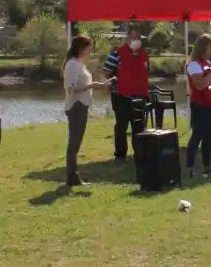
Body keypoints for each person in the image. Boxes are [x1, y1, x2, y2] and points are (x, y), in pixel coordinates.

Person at [62, 35, 112, 187]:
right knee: (74, 142)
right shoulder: (72, 65)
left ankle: (73, 176)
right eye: (89, 47)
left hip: (82, 106)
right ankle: (72, 177)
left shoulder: (79, 64)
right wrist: (92, 86)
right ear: (81, 48)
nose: (90, 50)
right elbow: (71, 89)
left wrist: (99, 84)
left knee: (76, 142)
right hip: (76, 106)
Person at [102, 29, 150, 163]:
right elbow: (107, 71)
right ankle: (120, 155)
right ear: (127, 38)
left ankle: (139, 154)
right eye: (134, 37)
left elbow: (146, 72)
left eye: (139, 37)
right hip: (120, 96)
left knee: (139, 126)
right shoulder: (116, 54)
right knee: (121, 126)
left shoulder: (144, 55)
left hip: (139, 96)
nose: (137, 40)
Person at [185, 33, 211, 179]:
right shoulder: (194, 64)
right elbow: (200, 85)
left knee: (209, 137)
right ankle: (189, 167)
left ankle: (207, 166)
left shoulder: (210, 63)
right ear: (203, 48)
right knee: (198, 136)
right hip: (201, 106)